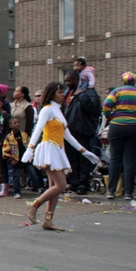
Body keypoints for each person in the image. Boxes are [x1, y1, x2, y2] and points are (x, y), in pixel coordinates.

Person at [22, 82, 99, 230]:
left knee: (54, 187)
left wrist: (85, 152)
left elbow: (68, 136)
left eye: (63, 92)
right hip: (48, 148)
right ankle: (34, 205)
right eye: (60, 92)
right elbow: (38, 129)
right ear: (51, 94)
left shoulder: (58, 111)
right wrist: (30, 148)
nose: (63, 95)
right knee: (61, 186)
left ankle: (48, 220)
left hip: (56, 149)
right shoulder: (47, 110)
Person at [102, 72, 136, 199]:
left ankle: (111, 191)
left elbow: (106, 105)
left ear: (123, 81)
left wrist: (109, 117)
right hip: (135, 127)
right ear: (135, 81)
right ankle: (128, 192)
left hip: (117, 126)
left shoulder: (116, 92)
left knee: (115, 159)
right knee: (129, 159)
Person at [61, 71, 101, 195]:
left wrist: (81, 95)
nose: (67, 83)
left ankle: (83, 184)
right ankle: (74, 183)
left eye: (69, 80)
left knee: (83, 160)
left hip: (82, 132)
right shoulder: (68, 93)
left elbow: (92, 108)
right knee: (72, 159)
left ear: (76, 80)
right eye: (66, 81)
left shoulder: (88, 92)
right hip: (70, 132)